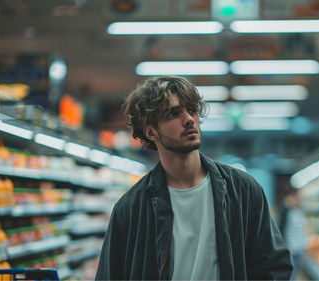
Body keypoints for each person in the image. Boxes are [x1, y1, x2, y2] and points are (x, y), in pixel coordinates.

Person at [95, 76, 292, 280]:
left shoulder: (242, 190)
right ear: (151, 131)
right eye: (173, 113)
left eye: (192, 110)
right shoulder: (131, 209)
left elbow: (274, 266)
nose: (189, 119)